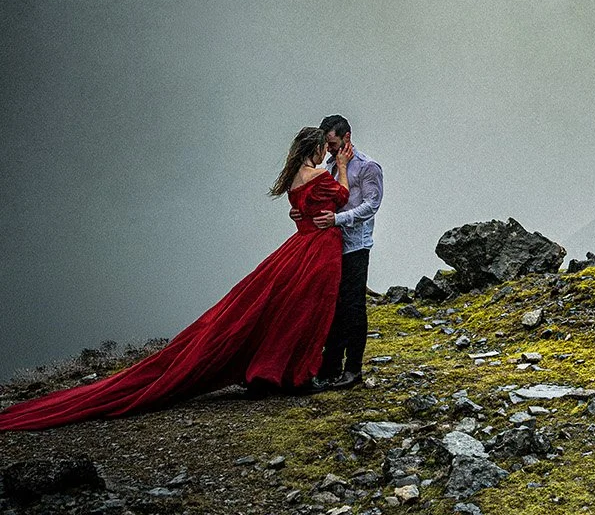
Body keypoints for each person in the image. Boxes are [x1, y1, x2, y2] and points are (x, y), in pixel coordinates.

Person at [0, 127, 352, 430]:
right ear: (316, 148)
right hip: (318, 249)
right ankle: (295, 374)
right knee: (310, 310)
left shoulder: (294, 178)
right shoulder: (321, 175)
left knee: (279, 309)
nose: (327, 152)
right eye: (324, 148)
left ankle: (275, 371)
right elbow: (343, 196)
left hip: (299, 246)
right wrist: (342, 166)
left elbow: (300, 212)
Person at [301, 114, 383, 390]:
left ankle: (354, 369)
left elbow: (371, 206)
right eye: (327, 144)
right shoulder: (332, 166)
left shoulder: (368, 167)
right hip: (332, 246)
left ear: (346, 137)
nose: (330, 149)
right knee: (333, 305)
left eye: (333, 143)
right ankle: (331, 365)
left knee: (353, 306)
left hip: (356, 245)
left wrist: (338, 220)